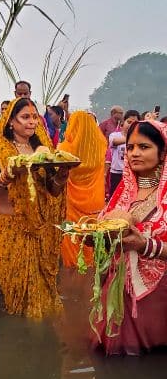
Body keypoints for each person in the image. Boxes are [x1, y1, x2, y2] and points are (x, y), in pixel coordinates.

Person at [0, 97, 70, 317]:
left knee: (44, 287)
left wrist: (61, 176)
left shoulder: (44, 150)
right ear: (11, 121)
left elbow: (53, 191)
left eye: (33, 117)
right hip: (10, 227)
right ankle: (15, 334)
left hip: (42, 227)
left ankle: (41, 334)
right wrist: (6, 176)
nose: (31, 122)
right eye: (24, 117)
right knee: (14, 285)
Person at [93, 121, 167, 356]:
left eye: (144, 147)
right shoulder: (124, 191)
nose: (134, 153)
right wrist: (94, 237)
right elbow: (106, 229)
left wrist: (145, 245)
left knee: (148, 361)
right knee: (112, 356)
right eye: (131, 147)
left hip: (155, 297)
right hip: (116, 287)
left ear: (163, 153)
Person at [56, 111, 107, 268]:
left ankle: (73, 273)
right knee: (91, 236)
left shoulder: (65, 148)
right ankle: (92, 271)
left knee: (72, 237)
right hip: (95, 199)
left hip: (71, 200)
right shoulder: (101, 145)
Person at [108, 110, 141, 200]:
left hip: (133, 174)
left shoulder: (140, 138)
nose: (131, 125)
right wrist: (132, 137)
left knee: (130, 198)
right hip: (117, 174)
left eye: (134, 123)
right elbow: (114, 142)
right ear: (123, 122)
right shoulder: (114, 135)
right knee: (114, 199)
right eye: (129, 122)